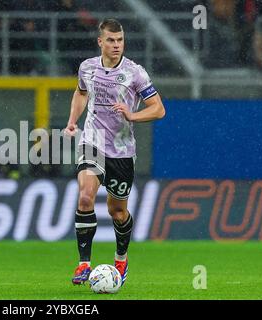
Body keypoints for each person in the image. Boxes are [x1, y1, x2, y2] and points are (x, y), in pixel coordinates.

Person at [64, 18, 165, 286]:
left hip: (121, 151)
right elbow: (80, 92)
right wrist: (73, 120)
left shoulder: (135, 73)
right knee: (85, 197)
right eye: (111, 40)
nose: (116, 45)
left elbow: (158, 108)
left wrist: (132, 115)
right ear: (100, 42)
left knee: (117, 212)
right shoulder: (87, 67)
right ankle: (84, 264)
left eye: (120, 40)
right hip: (92, 142)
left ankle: (121, 257)